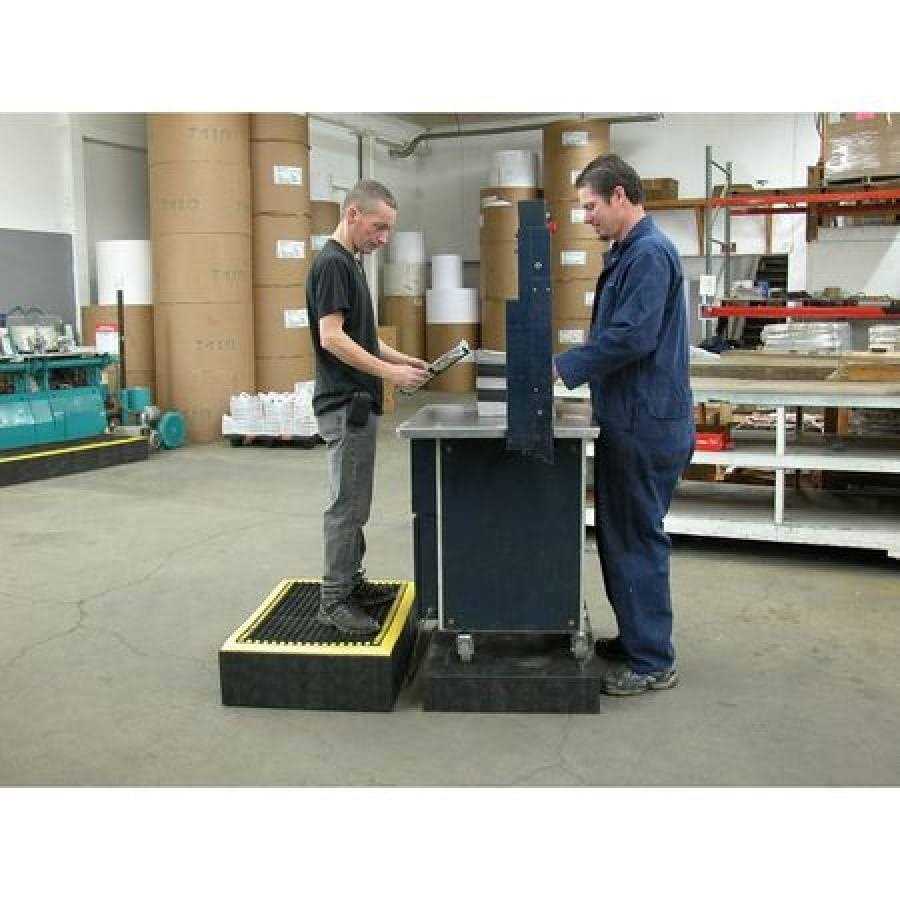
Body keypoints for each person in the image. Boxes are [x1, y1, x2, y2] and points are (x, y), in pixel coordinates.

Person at [553, 154, 695, 696]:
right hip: (630, 416)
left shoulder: (650, 254)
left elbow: (633, 336)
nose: (586, 216)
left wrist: (563, 368)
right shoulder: (628, 253)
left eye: (590, 206)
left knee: (635, 539)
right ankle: (639, 638)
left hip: (645, 421)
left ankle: (653, 660)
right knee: (621, 536)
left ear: (619, 195)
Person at [307, 180, 429, 636]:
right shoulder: (333, 264)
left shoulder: (352, 263)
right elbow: (332, 338)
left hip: (357, 402)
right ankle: (334, 600)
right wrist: (389, 374)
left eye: (389, 230)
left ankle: (351, 583)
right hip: (345, 404)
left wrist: (403, 360)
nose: (384, 238)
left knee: (357, 501)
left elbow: (362, 336)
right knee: (347, 505)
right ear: (353, 214)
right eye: (379, 227)